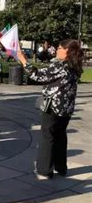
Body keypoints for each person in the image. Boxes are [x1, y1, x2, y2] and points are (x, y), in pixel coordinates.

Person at [17, 39, 83, 179]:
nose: (56, 50)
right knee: (60, 135)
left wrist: (23, 60)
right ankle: (60, 167)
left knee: (47, 135)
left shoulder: (61, 66)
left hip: (52, 105)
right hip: (67, 107)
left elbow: (37, 76)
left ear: (67, 51)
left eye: (59, 48)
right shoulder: (74, 66)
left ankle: (44, 169)